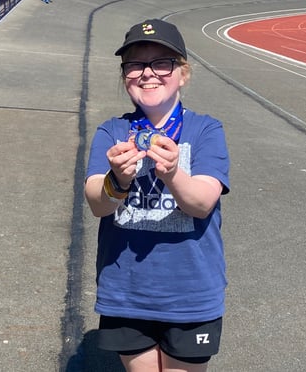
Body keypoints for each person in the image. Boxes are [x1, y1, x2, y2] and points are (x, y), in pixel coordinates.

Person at [84, 19, 230, 372]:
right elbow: (96, 202)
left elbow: (201, 203)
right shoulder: (113, 131)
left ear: (182, 74)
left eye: (161, 63)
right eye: (135, 65)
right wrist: (118, 180)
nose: (147, 73)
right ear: (125, 77)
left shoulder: (206, 130)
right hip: (127, 292)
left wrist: (173, 173)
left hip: (190, 294)